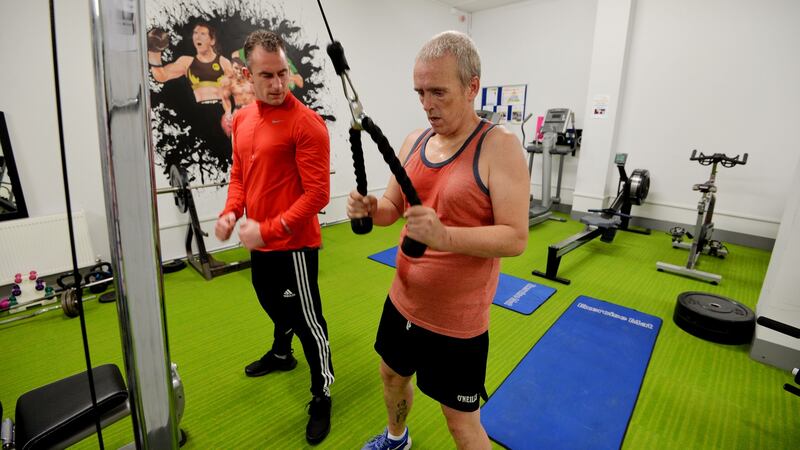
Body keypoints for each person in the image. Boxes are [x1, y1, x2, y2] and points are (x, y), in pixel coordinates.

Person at [347, 31, 529, 450]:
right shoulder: (416, 140)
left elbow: (515, 237)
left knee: (461, 424)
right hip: (403, 301)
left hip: (457, 323)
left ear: (471, 87)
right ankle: (397, 437)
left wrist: (443, 236)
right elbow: (393, 207)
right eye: (420, 92)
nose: (427, 105)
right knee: (391, 376)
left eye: (439, 93)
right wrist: (371, 208)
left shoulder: (498, 148)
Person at [214, 30, 333, 445]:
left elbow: (318, 195)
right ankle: (282, 355)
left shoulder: (307, 125)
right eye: (268, 75)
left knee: (309, 322)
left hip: (294, 246)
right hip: (260, 242)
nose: (278, 84)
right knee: (270, 301)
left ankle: (322, 394)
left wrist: (268, 229)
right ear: (248, 74)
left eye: (284, 73)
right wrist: (231, 211)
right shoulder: (244, 120)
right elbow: (239, 174)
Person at [148, 22, 234, 145]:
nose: (197, 37)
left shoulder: (223, 62)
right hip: (197, 114)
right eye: (195, 33)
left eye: (202, 34)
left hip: (220, 112)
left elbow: (235, 91)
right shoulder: (186, 62)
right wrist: (154, 50)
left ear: (212, 40)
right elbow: (161, 76)